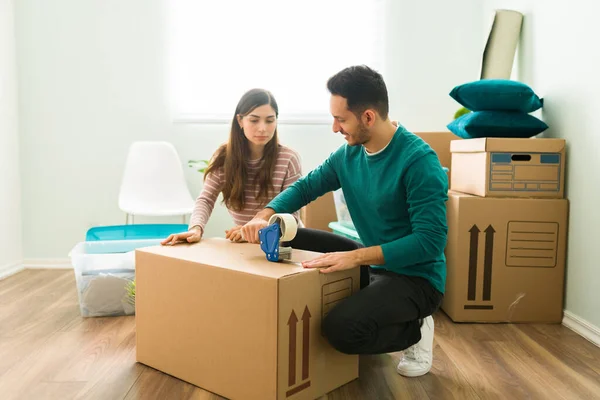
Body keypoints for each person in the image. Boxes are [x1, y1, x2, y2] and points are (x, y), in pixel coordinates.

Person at [240, 65, 448, 378]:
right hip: (374, 261)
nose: (335, 128)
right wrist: (264, 214)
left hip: (416, 279)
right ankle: (375, 300)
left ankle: (414, 328)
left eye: (341, 119)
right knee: (285, 233)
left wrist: (354, 257)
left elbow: (430, 242)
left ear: (368, 117)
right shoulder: (348, 155)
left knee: (340, 330)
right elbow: (306, 186)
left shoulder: (419, 161)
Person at [161, 88, 302, 246]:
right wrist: (196, 228)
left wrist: (253, 231)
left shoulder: (288, 158)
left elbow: (292, 218)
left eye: (270, 120)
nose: (263, 128)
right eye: (254, 120)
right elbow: (206, 199)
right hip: (245, 246)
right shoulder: (224, 157)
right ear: (240, 120)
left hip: (285, 243)